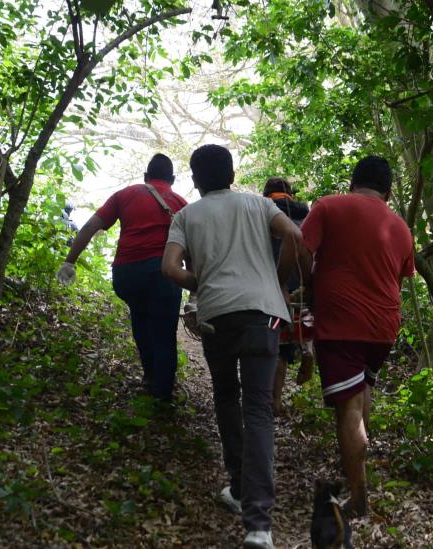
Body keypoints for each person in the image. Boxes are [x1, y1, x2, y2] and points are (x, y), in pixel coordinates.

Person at [162, 145, 301, 549]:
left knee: (226, 396)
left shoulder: (186, 215)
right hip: (264, 314)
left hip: (218, 316)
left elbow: (170, 267)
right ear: (233, 173)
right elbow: (293, 235)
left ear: (195, 178)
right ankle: (259, 526)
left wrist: (202, 284)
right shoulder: (259, 206)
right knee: (258, 408)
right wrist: (278, 280)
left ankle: (239, 489)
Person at [280, 155, 414, 517]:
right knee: (362, 391)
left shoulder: (329, 206)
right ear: (387, 191)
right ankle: (357, 472)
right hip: (385, 326)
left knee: (349, 407)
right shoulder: (401, 227)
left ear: (353, 181)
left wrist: (307, 283)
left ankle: (358, 495)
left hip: (342, 322)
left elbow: (300, 246)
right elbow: (400, 277)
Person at [56, 153, 186, 402]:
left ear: (146, 177)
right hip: (164, 273)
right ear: (172, 179)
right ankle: (163, 392)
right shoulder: (181, 203)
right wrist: (196, 289)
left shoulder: (125, 195)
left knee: (140, 316)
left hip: (127, 274)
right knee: (164, 332)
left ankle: (149, 376)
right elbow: (192, 247)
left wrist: (69, 261)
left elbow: (90, 227)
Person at [262, 177, 313, 415]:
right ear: (291, 195)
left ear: (266, 194)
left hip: (270, 287)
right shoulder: (306, 218)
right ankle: (308, 351)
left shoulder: (262, 216)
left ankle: (274, 400)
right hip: (300, 287)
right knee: (303, 327)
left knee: (277, 346)